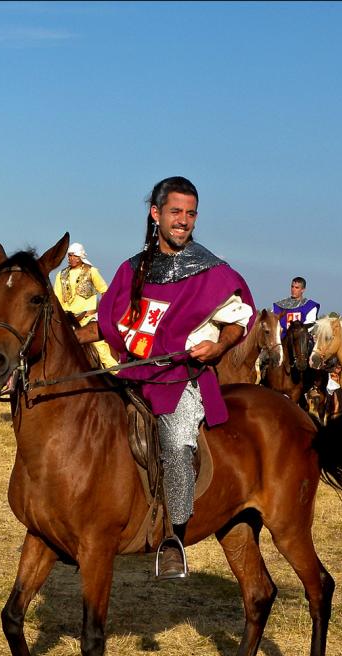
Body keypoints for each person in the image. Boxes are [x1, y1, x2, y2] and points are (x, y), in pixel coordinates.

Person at [98, 176, 255, 579]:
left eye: (190, 213)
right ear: (156, 214)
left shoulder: (212, 271)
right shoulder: (133, 268)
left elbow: (238, 320)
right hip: (133, 373)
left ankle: (173, 537)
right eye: (175, 212)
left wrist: (219, 347)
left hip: (180, 378)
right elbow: (112, 322)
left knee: (176, 438)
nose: (183, 221)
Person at [52, 242, 118, 372]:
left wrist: (104, 312)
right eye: (70, 256)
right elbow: (56, 299)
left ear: (80, 257)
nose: (71, 258)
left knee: (101, 349)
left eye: (74, 256)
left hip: (87, 319)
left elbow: (105, 292)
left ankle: (118, 374)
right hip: (67, 320)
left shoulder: (92, 272)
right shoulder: (61, 275)